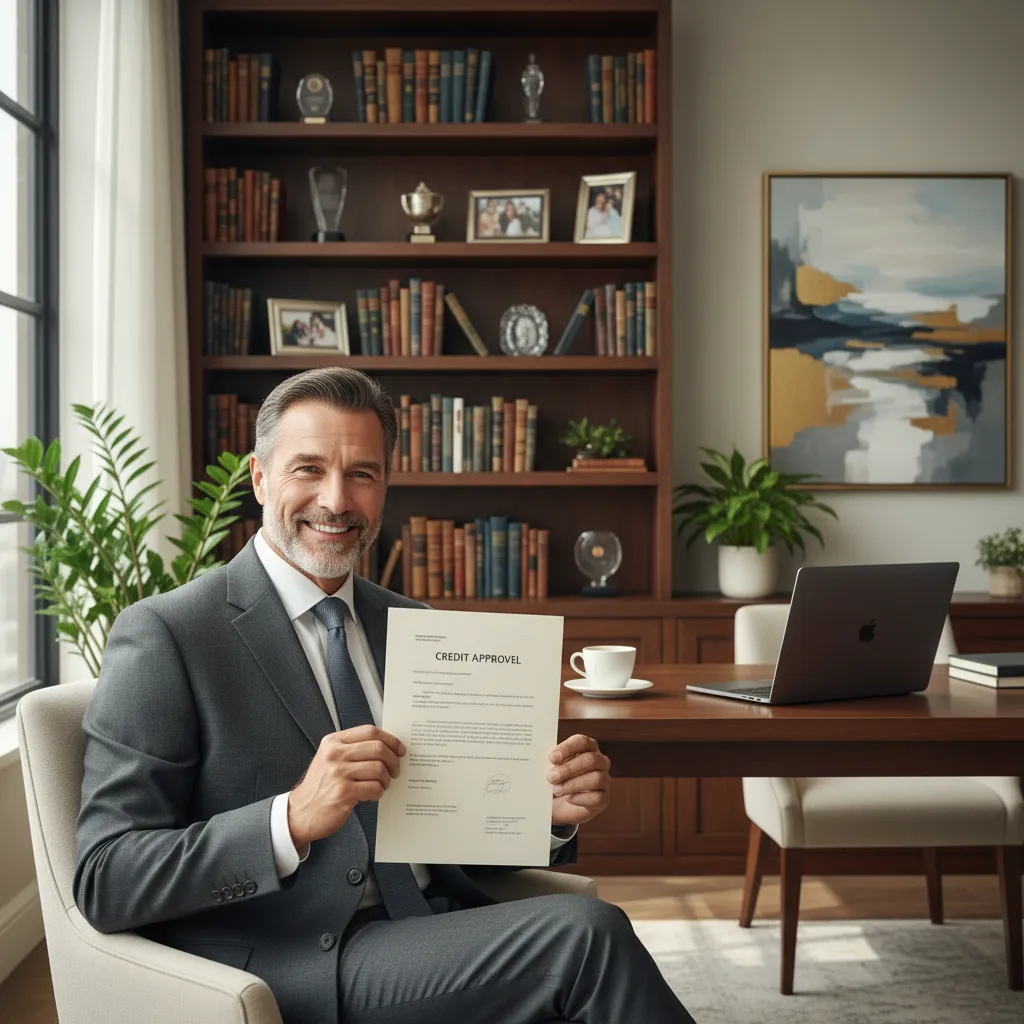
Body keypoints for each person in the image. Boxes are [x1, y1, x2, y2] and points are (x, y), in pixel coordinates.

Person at [73, 367, 695, 1024]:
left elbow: (450, 828)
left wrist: (545, 813)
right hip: (302, 961)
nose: (336, 500)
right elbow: (105, 877)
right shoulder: (168, 633)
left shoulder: (415, 626)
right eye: (308, 470)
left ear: (384, 489)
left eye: (361, 475)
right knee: (586, 938)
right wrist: (289, 819)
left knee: (588, 941)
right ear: (259, 478)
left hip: (434, 926)